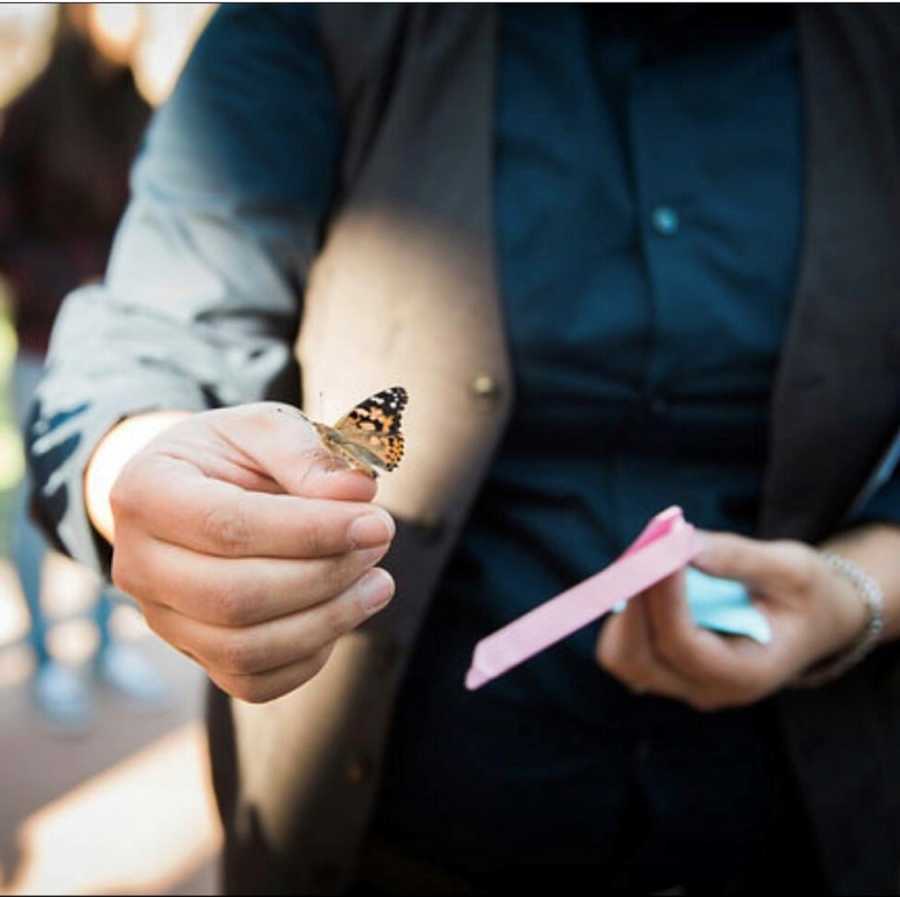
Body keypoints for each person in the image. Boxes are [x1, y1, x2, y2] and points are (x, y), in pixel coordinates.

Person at [24, 4, 900, 894]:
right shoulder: (328, 22)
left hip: (812, 833)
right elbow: (150, 337)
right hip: (402, 842)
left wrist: (860, 588)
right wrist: (141, 468)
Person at [1, 6, 166, 730]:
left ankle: (105, 642)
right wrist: (68, 294)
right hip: (50, 340)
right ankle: (45, 653)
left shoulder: (148, 114)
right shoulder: (31, 113)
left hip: (130, 347)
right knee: (37, 513)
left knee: (129, 501)